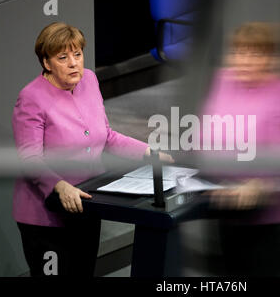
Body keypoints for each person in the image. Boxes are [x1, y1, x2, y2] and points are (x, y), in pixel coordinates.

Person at [12, 22, 172, 276]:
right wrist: (59, 185)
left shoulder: (89, 79)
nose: (74, 63)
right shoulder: (31, 98)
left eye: (77, 54)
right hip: (47, 217)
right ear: (46, 62)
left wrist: (149, 153)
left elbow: (106, 136)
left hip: (87, 204)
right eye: (63, 57)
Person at [202, 22, 280, 276]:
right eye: (240, 52)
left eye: (256, 53)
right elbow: (207, 133)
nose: (245, 60)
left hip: (270, 212)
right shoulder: (224, 80)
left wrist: (260, 184)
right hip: (225, 202)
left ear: (271, 58)